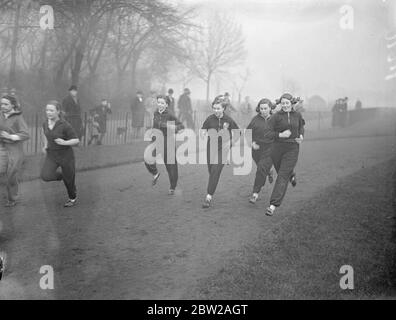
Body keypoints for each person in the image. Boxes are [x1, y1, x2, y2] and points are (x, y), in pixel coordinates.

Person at [266, 93, 305, 216]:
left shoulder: (297, 115)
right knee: (283, 172)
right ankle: (291, 174)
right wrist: (280, 135)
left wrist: (301, 136)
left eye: (287, 103)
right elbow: (267, 133)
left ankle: (273, 205)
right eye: (283, 103)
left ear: (291, 103)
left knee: (282, 175)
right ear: (280, 104)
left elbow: (301, 127)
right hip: (277, 148)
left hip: (292, 148)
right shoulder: (276, 117)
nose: (285, 105)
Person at [201, 95, 240, 208]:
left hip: (223, 148)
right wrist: (203, 133)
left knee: (216, 170)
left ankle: (208, 197)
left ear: (223, 108)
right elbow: (204, 128)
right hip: (211, 146)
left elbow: (238, 133)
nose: (216, 110)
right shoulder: (209, 119)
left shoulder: (228, 120)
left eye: (218, 108)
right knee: (211, 170)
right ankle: (213, 183)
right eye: (214, 108)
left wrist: (231, 142)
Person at [40, 100, 80, 207]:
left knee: (69, 181)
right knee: (45, 176)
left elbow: (76, 140)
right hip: (52, 155)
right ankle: (63, 176)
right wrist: (45, 145)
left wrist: (64, 142)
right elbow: (44, 133)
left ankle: (72, 198)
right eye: (47, 110)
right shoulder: (45, 123)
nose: (48, 112)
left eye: (51, 110)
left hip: (66, 156)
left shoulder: (65, 125)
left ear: (58, 111)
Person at [144, 95, 184, 195]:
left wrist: (169, 126)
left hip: (168, 141)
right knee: (147, 157)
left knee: (171, 166)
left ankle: (172, 187)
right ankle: (155, 173)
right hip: (156, 140)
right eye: (159, 102)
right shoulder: (156, 113)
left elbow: (181, 126)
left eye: (162, 103)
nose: (160, 104)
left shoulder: (170, 115)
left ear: (166, 105)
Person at [0, 95, 30, 207]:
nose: (3, 106)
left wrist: (11, 136)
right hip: (1, 148)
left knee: (11, 175)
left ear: (12, 105)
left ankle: (12, 198)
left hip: (14, 149)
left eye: (6, 104)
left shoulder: (18, 117)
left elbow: (26, 134)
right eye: (1, 104)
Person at [247, 98, 276, 204]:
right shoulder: (255, 119)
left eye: (265, 108)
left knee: (261, 168)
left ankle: (255, 193)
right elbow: (248, 133)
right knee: (262, 168)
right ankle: (269, 171)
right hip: (256, 149)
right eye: (261, 108)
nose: (263, 111)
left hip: (270, 149)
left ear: (270, 108)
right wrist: (252, 143)